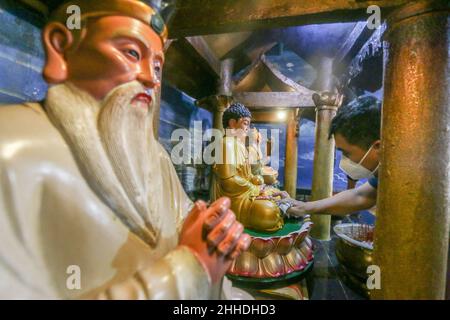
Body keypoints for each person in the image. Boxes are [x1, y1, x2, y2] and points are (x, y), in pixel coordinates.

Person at [0, 0, 250, 299]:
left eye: (158, 66)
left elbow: (188, 221)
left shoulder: (154, 156)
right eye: (132, 53)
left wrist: (214, 230)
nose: (152, 79)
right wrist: (189, 270)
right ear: (60, 48)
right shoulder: (11, 150)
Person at [278, 96, 381, 218]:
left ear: (378, 146)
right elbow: (361, 196)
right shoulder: (380, 177)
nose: (344, 160)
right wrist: (303, 207)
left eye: (346, 153)